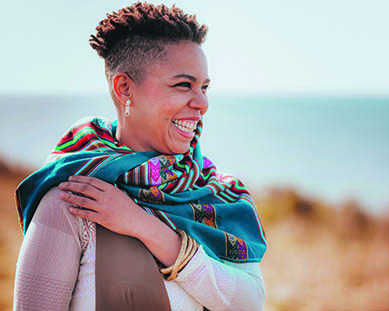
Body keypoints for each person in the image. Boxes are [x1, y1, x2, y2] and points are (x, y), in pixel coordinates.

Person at [13, 2, 267, 310]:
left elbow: (251, 303)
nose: (202, 103)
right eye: (183, 85)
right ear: (124, 89)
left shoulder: (217, 195)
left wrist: (146, 227)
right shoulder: (75, 198)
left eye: (204, 87)